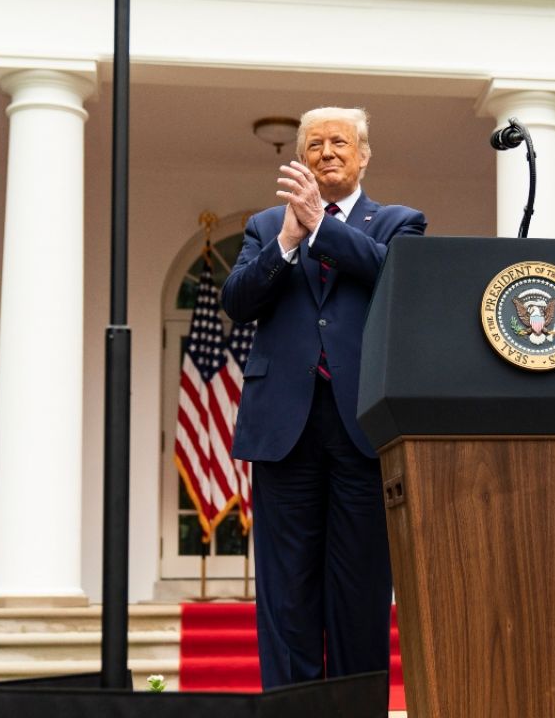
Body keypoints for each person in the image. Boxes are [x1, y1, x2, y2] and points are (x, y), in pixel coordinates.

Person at [220, 106, 427, 689]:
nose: (327, 153)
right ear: (300, 159)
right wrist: (289, 239)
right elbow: (237, 302)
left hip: (363, 425)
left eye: (340, 142)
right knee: (286, 593)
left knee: (360, 589)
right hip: (283, 428)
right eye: (314, 145)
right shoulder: (266, 225)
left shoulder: (399, 222)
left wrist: (321, 228)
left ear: (364, 155)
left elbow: (399, 281)